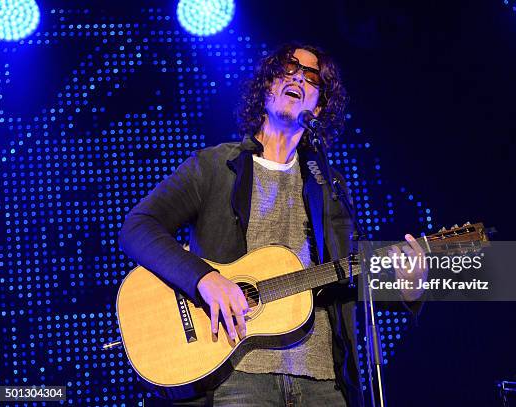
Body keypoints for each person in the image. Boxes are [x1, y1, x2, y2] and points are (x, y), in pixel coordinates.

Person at [118, 43, 425, 407]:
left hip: (323, 382)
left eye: (312, 77)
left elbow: (345, 275)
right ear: (267, 87)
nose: (298, 76)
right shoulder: (215, 166)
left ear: (319, 106)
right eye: (288, 68)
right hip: (238, 376)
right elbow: (138, 227)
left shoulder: (329, 184)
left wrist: (409, 289)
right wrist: (204, 278)